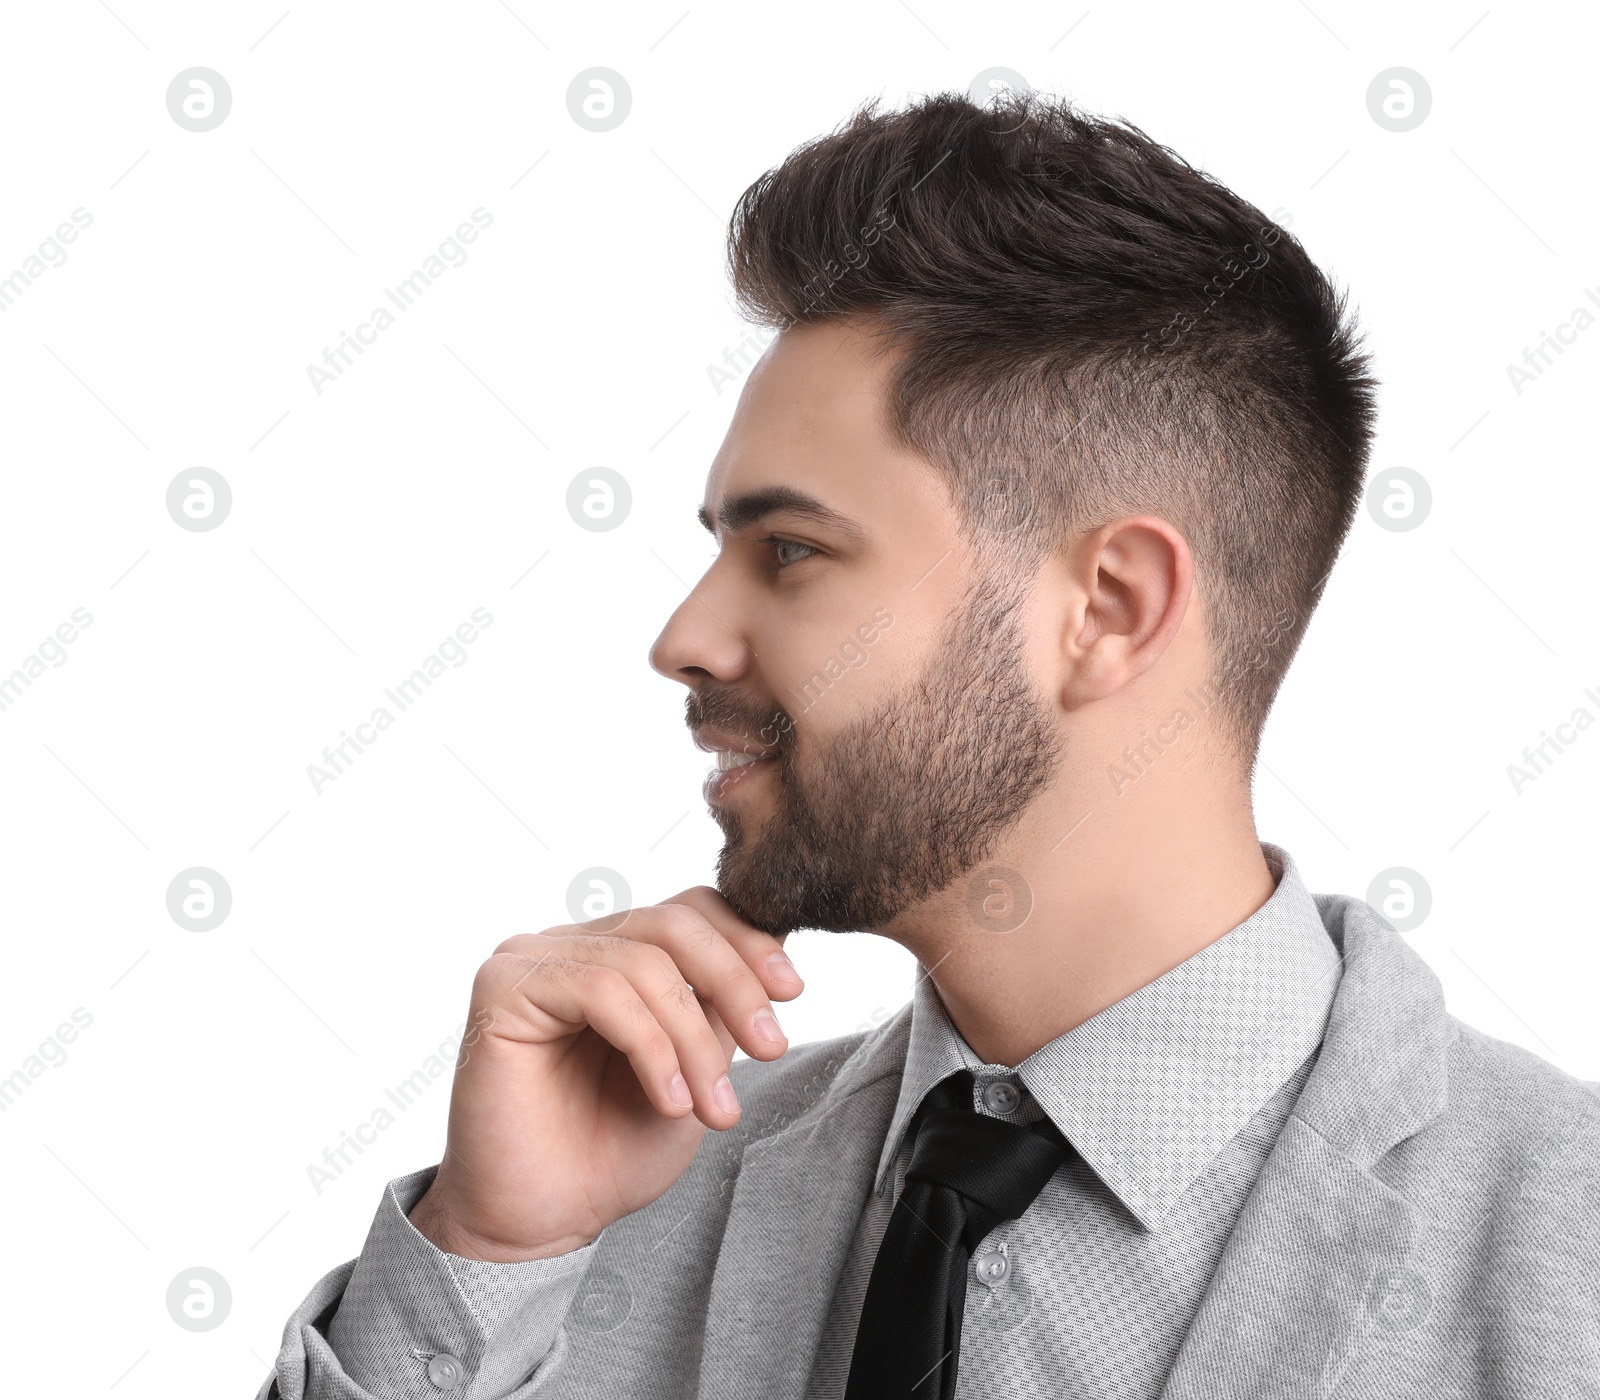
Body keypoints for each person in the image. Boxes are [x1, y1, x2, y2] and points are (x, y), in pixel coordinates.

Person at [260, 90, 1600, 1400]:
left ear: (1108, 610)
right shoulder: (589, 1225)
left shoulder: (1565, 1260)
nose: (684, 636)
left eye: (790, 550)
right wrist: (488, 1257)